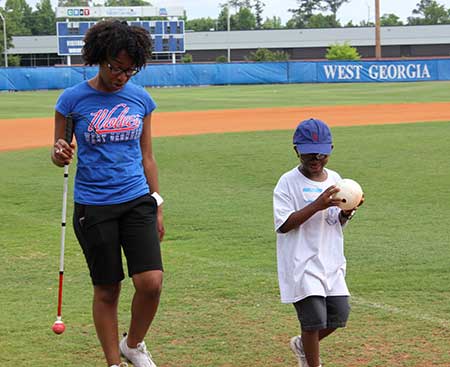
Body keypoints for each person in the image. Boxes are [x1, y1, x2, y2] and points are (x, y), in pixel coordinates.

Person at [51, 20, 164, 367]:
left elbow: (147, 155)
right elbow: (58, 153)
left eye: (129, 71)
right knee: (108, 289)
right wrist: (59, 153)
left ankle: (133, 344)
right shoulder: (72, 101)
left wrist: (157, 203)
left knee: (151, 283)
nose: (121, 77)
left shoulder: (141, 99)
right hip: (94, 206)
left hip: (136, 198)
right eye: (116, 68)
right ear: (99, 58)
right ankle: (114, 362)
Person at [273, 118, 363, 367]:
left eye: (321, 155)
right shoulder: (287, 183)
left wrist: (346, 213)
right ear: (296, 151)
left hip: (330, 261)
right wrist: (317, 205)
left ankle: (302, 345)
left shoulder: (335, 179)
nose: (316, 160)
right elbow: (284, 225)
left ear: (331, 150)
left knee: (339, 315)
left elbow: (334, 221)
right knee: (312, 320)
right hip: (301, 262)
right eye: (309, 155)